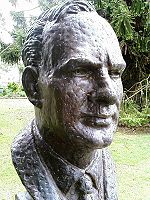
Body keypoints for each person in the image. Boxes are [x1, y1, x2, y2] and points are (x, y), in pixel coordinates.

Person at [11, 1, 126, 199]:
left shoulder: (105, 165)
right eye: (81, 71)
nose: (109, 94)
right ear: (34, 87)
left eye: (115, 73)